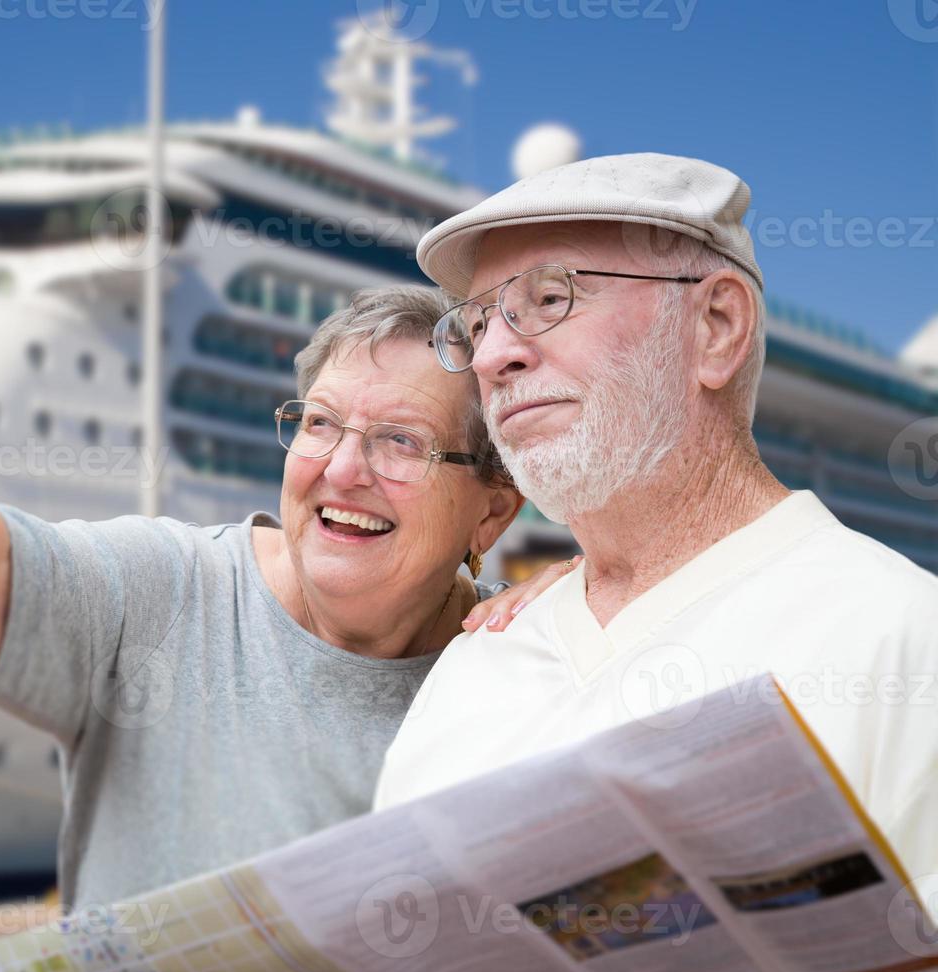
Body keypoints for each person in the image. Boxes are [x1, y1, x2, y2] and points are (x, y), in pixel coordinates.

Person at [0, 286, 567, 908]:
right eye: (319, 424)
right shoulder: (168, 593)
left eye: (400, 442)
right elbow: (1, 579)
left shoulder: (532, 657)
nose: (343, 469)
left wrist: (602, 600)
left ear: (494, 508)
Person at [374, 154, 938, 901]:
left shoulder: (902, 639)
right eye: (477, 324)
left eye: (549, 297)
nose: (492, 355)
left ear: (716, 327)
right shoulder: (476, 665)